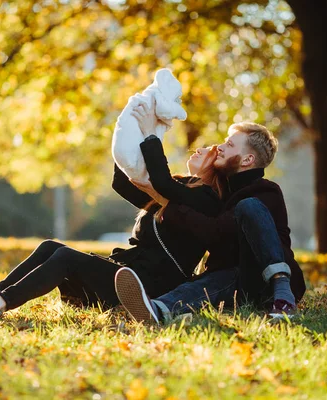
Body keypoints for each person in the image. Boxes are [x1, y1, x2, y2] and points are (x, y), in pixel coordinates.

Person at [0, 102, 225, 322]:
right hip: (125, 271)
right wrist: (127, 132)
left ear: (218, 170)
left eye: (213, 151)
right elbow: (122, 183)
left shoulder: (206, 198)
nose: (200, 148)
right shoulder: (179, 188)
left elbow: (161, 181)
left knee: (66, 256)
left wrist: (151, 130)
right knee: (49, 246)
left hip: (143, 286)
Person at [114, 121, 306, 323]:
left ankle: (282, 291)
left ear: (248, 159)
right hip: (239, 283)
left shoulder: (266, 191)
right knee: (213, 279)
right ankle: (158, 309)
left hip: (268, 282)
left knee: (249, 206)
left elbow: (214, 232)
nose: (220, 147)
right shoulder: (221, 194)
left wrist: (170, 207)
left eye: (230, 145)